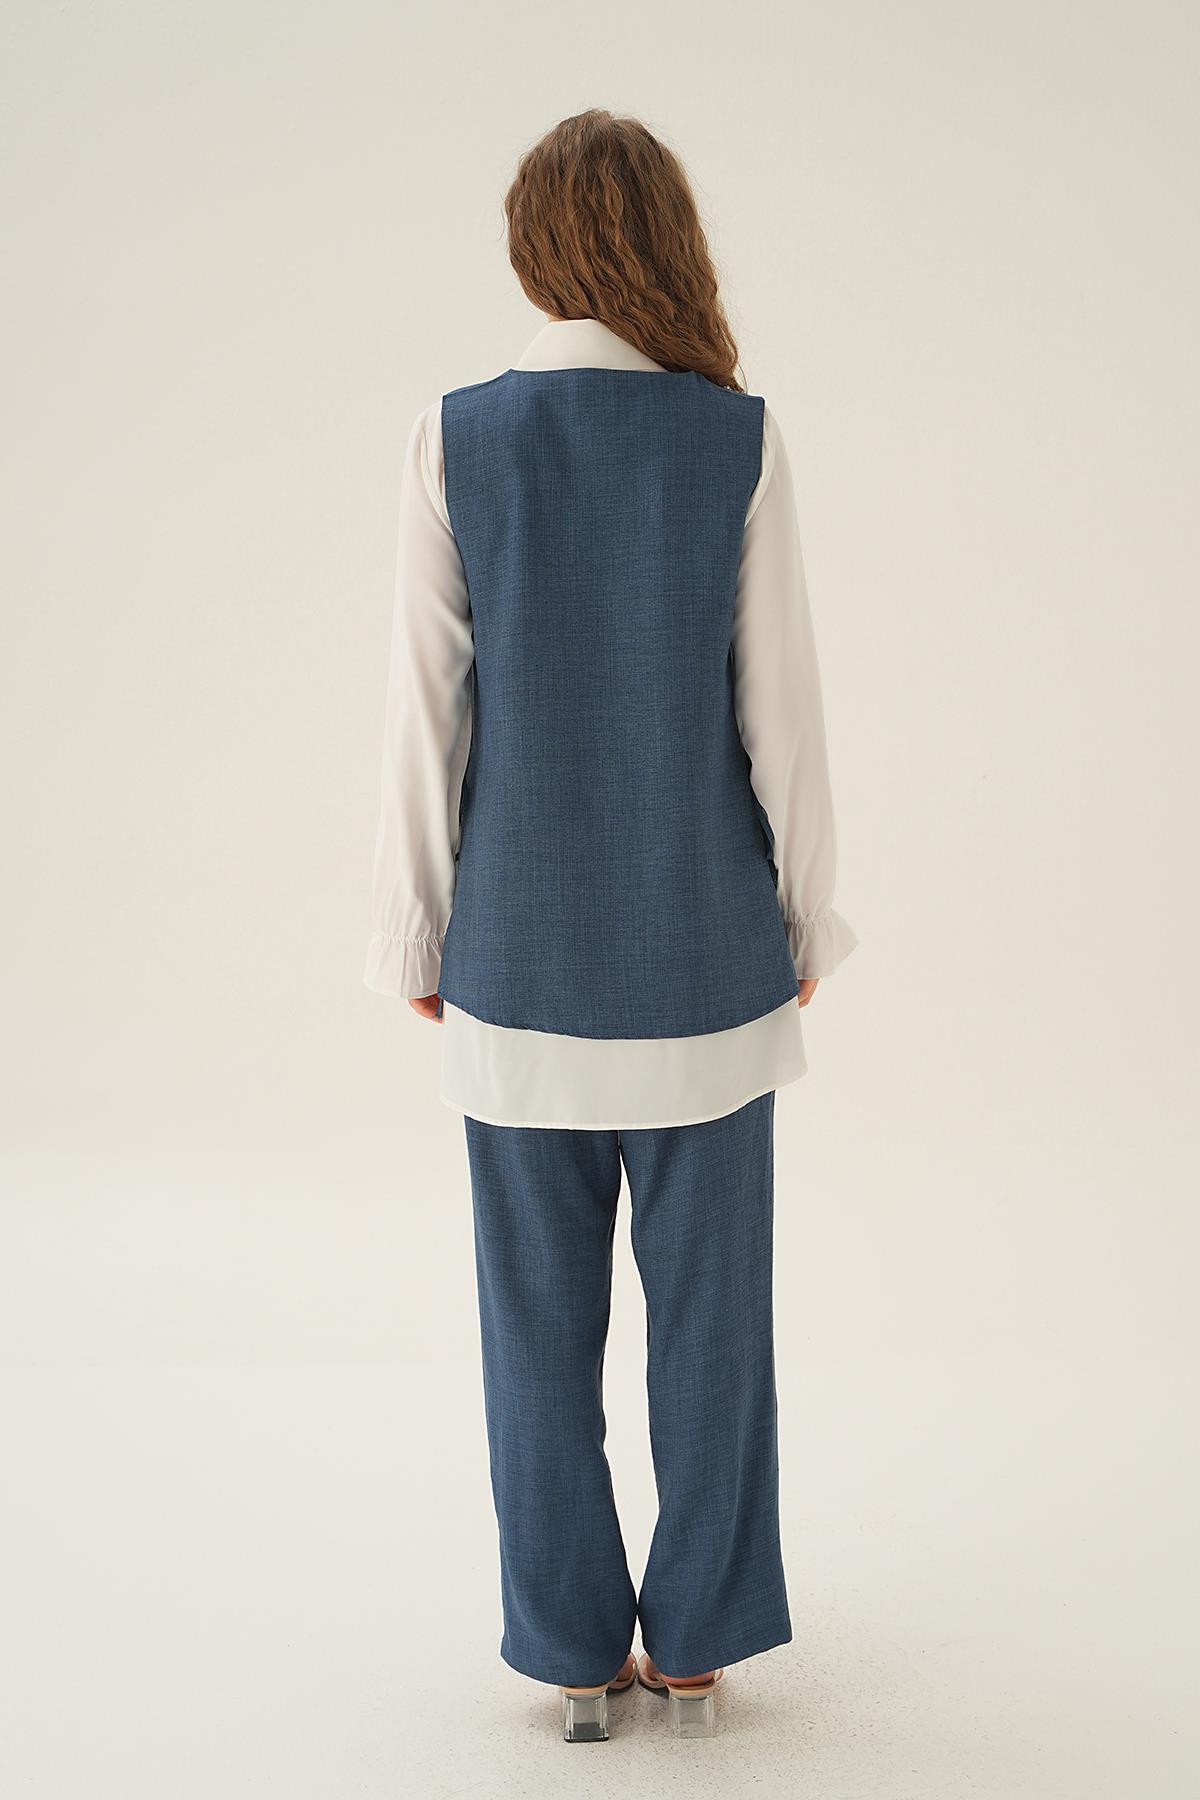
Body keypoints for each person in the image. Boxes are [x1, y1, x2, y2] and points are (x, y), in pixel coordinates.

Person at [363, 109, 858, 1743]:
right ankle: (699, 1638)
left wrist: (418, 936)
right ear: (666, 239)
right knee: (715, 1330)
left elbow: (426, 717)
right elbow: (781, 711)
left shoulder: (455, 438)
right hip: (706, 965)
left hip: (519, 967)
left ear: (535, 248)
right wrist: (807, 917)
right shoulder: (736, 438)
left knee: (534, 1334)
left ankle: (575, 1651)